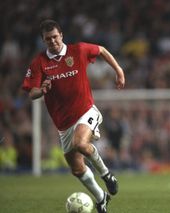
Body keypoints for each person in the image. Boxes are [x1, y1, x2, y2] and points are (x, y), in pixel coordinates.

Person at [22, 19, 125, 213]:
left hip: (86, 111)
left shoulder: (78, 50)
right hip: (63, 124)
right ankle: (101, 198)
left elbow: (101, 50)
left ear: (61, 35)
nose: (52, 41)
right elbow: (31, 93)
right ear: (43, 41)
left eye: (55, 37)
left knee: (81, 143)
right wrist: (41, 90)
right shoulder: (39, 63)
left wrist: (118, 70)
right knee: (77, 169)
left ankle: (106, 174)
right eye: (48, 39)